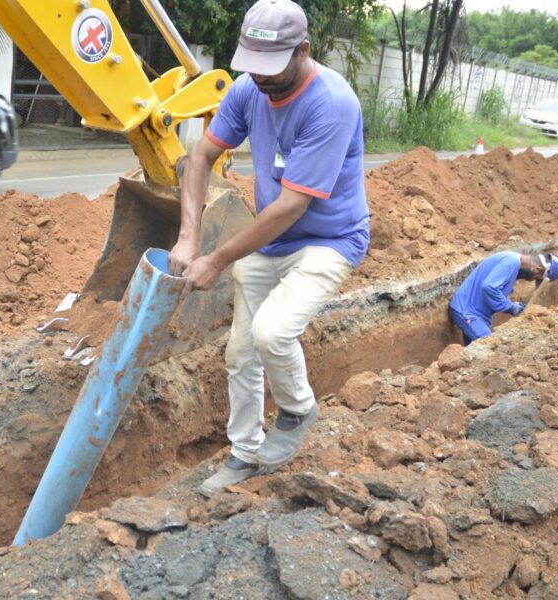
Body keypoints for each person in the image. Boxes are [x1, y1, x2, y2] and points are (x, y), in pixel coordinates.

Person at [167, 0, 369, 497]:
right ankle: (243, 454)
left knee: (272, 332)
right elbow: (201, 156)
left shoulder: (331, 104)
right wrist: (188, 235)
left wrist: (216, 257)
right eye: (252, 66)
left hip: (328, 239)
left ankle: (298, 408)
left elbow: (290, 207)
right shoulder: (247, 89)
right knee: (240, 350)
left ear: (304, 50)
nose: (260, 79)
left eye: (271, 68)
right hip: (272, 238)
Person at [449, 252, 558, 345]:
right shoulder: (510, 262)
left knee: (472, 357)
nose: (531, 280)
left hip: (477, 314)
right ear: (537, 269)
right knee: (488, 348)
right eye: (535, 278)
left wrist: (513, 305)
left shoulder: (512, 263)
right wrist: (510, 307)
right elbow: (489, 287)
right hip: (468, 311)